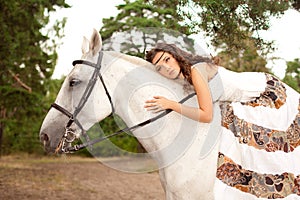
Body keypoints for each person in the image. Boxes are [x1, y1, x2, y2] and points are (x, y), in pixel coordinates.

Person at [144, 43, 300, 198]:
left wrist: (171, 105)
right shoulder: (187, 79)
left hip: (266, 93)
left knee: (264, 146)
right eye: (159, 68)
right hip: (240, 100)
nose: (166, 67)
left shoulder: (196, 70)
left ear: (176, 56)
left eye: (167, 59)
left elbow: (206, 115)